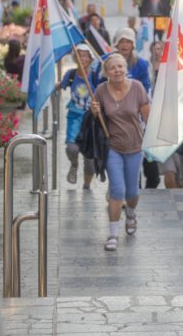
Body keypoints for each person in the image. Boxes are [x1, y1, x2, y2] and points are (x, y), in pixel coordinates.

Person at [91, 54, 150, 251]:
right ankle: (113, 234)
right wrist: (94, 111)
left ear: (126, 68)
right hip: (112, 147)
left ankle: (131, 214)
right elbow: (96, 118)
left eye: (120, 66)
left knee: (132, 191)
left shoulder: (137, 88)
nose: (117, 70)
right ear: (106, 72)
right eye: (112, 68)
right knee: (117, 190)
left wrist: (152, 144)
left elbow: (147, 117)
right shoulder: (100, 90)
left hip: (134, 146)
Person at [58, 44, 98, 188]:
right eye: (79, 55)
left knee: (89, 161)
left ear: (91, 58)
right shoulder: (71, 74)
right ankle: (74, 165)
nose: (82, 58)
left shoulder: (95, 75)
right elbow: (60, 86)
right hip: (74, 117)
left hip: (91, 120)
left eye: (85, 55)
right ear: (75, 57)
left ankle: (86, 185)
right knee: (72, 148)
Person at [97, 27, 151, 95]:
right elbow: (97, 83)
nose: (124, 45)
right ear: (117, 44)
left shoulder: (141, 64)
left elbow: (145, 87)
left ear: (133, 44)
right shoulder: (104, 60)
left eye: (128, 42)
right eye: (121, 41)